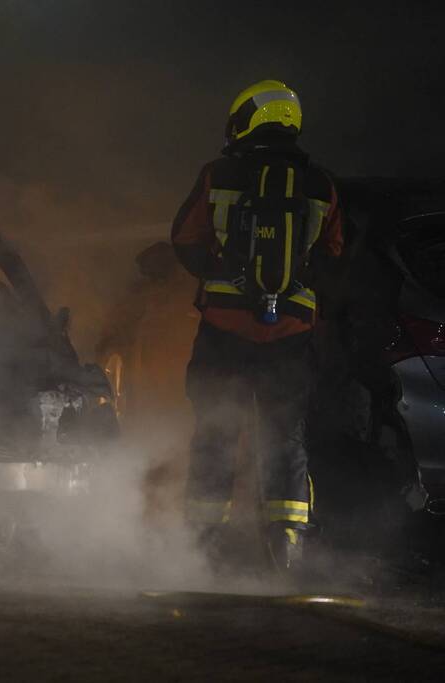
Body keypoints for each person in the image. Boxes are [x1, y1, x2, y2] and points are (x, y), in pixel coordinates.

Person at [170, 80, 343, 572]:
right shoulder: (321, 185)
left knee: (215, 434)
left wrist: (224, 273)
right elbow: (332, 258)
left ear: (246, 118)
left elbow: (185, 240)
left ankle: (202, 547)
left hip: (224, 332)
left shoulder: (218, 174)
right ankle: (286, 545)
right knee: (284, 437)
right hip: (290, 336)